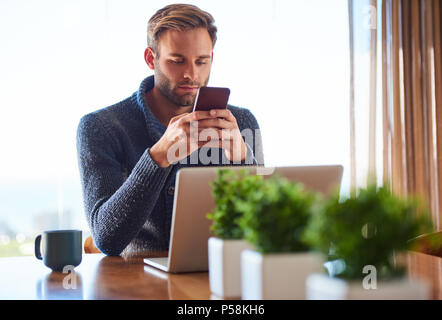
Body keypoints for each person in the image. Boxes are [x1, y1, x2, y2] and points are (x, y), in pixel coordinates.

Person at [76, 4, 264, 256]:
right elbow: (106, 238)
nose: (191, 74)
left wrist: (242, 161)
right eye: (177, 61)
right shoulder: (101, 128)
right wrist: (158, 157)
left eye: (201, 61)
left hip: (215, 277)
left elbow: (262, 227)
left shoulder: (240, 122)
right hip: (137, 284)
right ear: (150, 58)